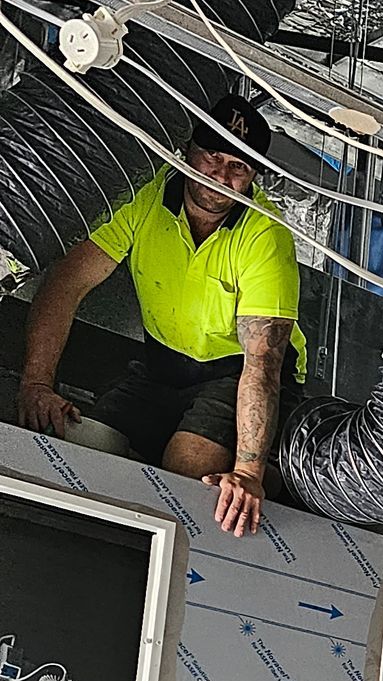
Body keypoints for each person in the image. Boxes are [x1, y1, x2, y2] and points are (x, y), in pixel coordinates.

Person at [15, 94, 304, 538]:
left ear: (252, 177)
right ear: (187, 150)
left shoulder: (265, 234)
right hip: (163, 364)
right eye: (212, 156)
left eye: (238, 167)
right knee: (82, 447)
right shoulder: (144, 195)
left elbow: (261, 363)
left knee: (189, 478)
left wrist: (248, 472)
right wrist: (36, 384)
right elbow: (67, 284)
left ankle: (280, 474)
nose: (221, 176)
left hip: (236, 371)